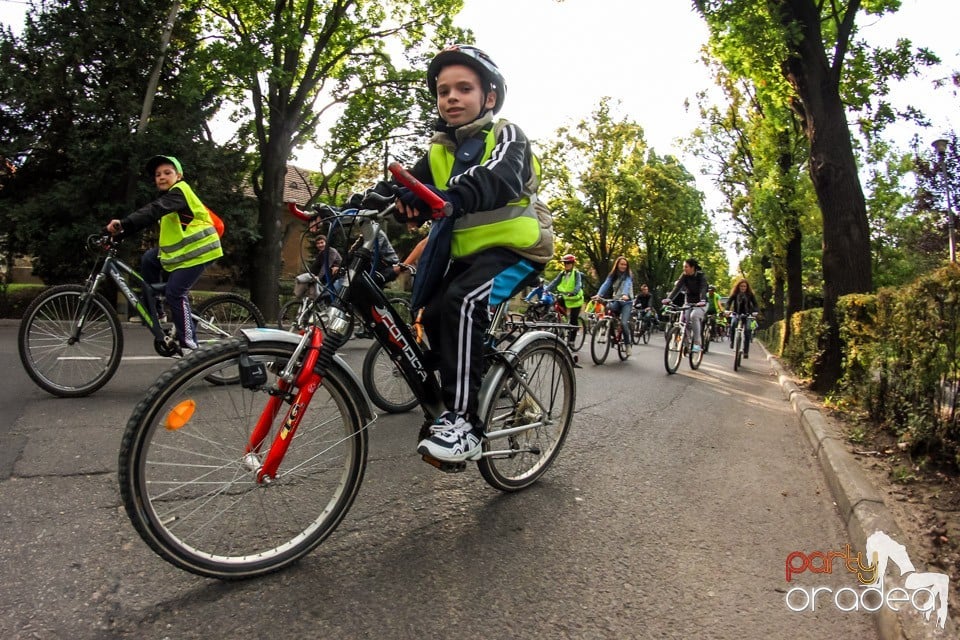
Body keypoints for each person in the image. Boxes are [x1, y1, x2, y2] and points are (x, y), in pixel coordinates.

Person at [393, 44, 554, 463]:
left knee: (463, 301)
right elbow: (408, 186)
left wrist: (448, 197)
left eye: (464, 88)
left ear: (490, 98)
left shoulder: (507, 135)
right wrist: (386, 201)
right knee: (432, 311)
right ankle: (465, 384)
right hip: (470, 257)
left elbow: (497, 177)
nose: (451, 97)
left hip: (516, 249)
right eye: (443, 90)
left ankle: (464, 422)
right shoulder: (438, 150)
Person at [105, 155, 223, 352]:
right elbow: (148, 217)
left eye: (167, 173)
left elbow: (153, 210)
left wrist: (123, 223)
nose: (161, 177)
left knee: (175, 293)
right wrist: (119, 234)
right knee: (149, 258)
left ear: (179, 176)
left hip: (201, 251)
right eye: (158, 174)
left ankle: (190, 347)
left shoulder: (180, 192)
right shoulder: (168, 200)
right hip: (185, 253)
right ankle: (157, 311)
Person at [661, 258, 708, 353]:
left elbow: (703, 288)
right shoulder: (684, 276)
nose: (684, 269)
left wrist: (702, 300)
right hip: (688, 302)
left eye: (686, 267)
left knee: (693, 316)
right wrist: (669, 298)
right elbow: (677, 287)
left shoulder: (701, 276)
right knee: (685, 320)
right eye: (684, 267)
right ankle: (686, 343)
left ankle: (697, 343)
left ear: (692, 267)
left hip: (701, 304)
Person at [592, 256, 634, 354]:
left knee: (624, 323)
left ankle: (627, 344)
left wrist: (624, 294)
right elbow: (606, 284)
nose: (623, 266)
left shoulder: (628, 276)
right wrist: (599, 295)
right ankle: (609, 330)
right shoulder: (613, 275)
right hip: (616, 300)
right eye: (621, 264)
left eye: (625, 264)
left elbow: (627, 284)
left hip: (626, 302)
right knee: (608, 308)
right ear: (617, 265)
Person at [544, 253, 585, 349]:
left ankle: (571, 341)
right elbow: (555, 282)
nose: (566, 265)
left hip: (575, 299)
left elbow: (578, 284)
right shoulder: (562, 273)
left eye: (568, 263)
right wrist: (546, 290)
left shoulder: (576, 273)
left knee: (574, 321)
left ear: (572, 264)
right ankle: (561, 320)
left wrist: (574, 292)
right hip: (566, 297)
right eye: (565, 263)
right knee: (556, 304)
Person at [293, 234, 342, 301]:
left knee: (329, 296)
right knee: (318, 294)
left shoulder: (332, 251)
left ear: (326, 243)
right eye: (318, 243)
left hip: (338, 278)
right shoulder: (321, 254)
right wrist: (309, 275)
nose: (320, 245)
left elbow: (326, 266)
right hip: (328, 278)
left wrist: (318, 277)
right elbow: (314, 267)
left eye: (322, 242)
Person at [726, 278, 760, 358]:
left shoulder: (750, 294)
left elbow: (755, 304)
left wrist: (755, 312)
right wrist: (727, 310)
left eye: (744, 286)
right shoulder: (735, 294)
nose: (743, 288)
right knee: (733, 324)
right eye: (741, 286)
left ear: (747, 287)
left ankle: (746, 351)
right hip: (736, 314)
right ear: (738, 287)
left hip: (747, 315)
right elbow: (729, 302)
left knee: (748, 330)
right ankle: (732, 341)